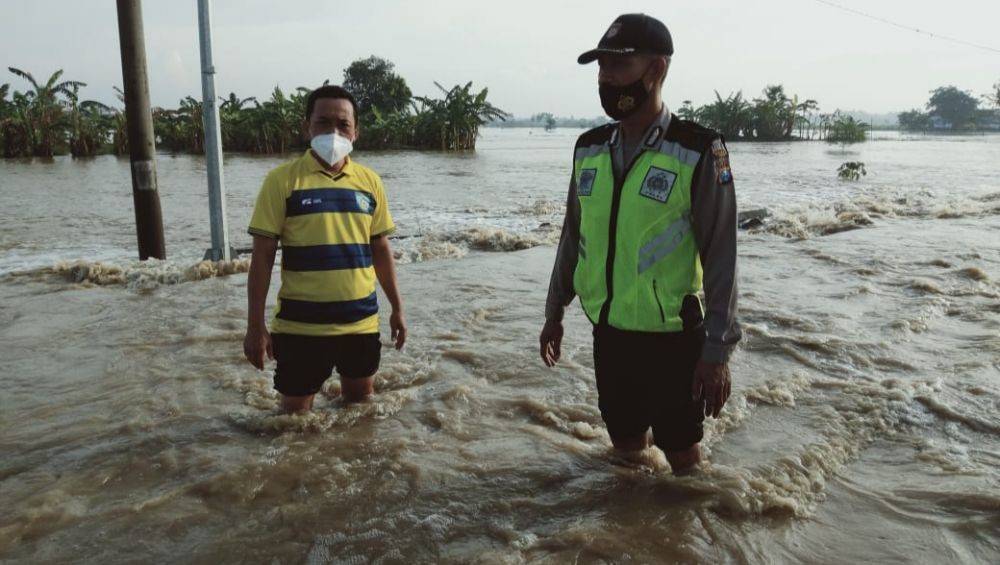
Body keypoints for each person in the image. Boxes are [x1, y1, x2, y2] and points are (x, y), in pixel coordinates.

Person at [539, 14, 742, 474]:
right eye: (602, 67)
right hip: (609, 333)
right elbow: (573, 235)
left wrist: (717, 352)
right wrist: (554, 312)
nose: (607, 77)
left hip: (674, 340)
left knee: (684, 461)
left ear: (657, 70)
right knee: (626, 450)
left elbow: (721, 257)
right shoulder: (588, 148)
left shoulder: (699, 150)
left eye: (618, 65)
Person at [243, 85, 406, 413]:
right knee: (293, 421)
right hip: (300, 328)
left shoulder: (370, 182)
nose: (334, 131)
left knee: (360, 411)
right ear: (307, 127)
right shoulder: (282, 181)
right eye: (323, 122)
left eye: (343, 124)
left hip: (360, 324)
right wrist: (255, 325)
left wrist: (397, 307)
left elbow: (380, 248)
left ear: (355, 132)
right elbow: (262, 256)